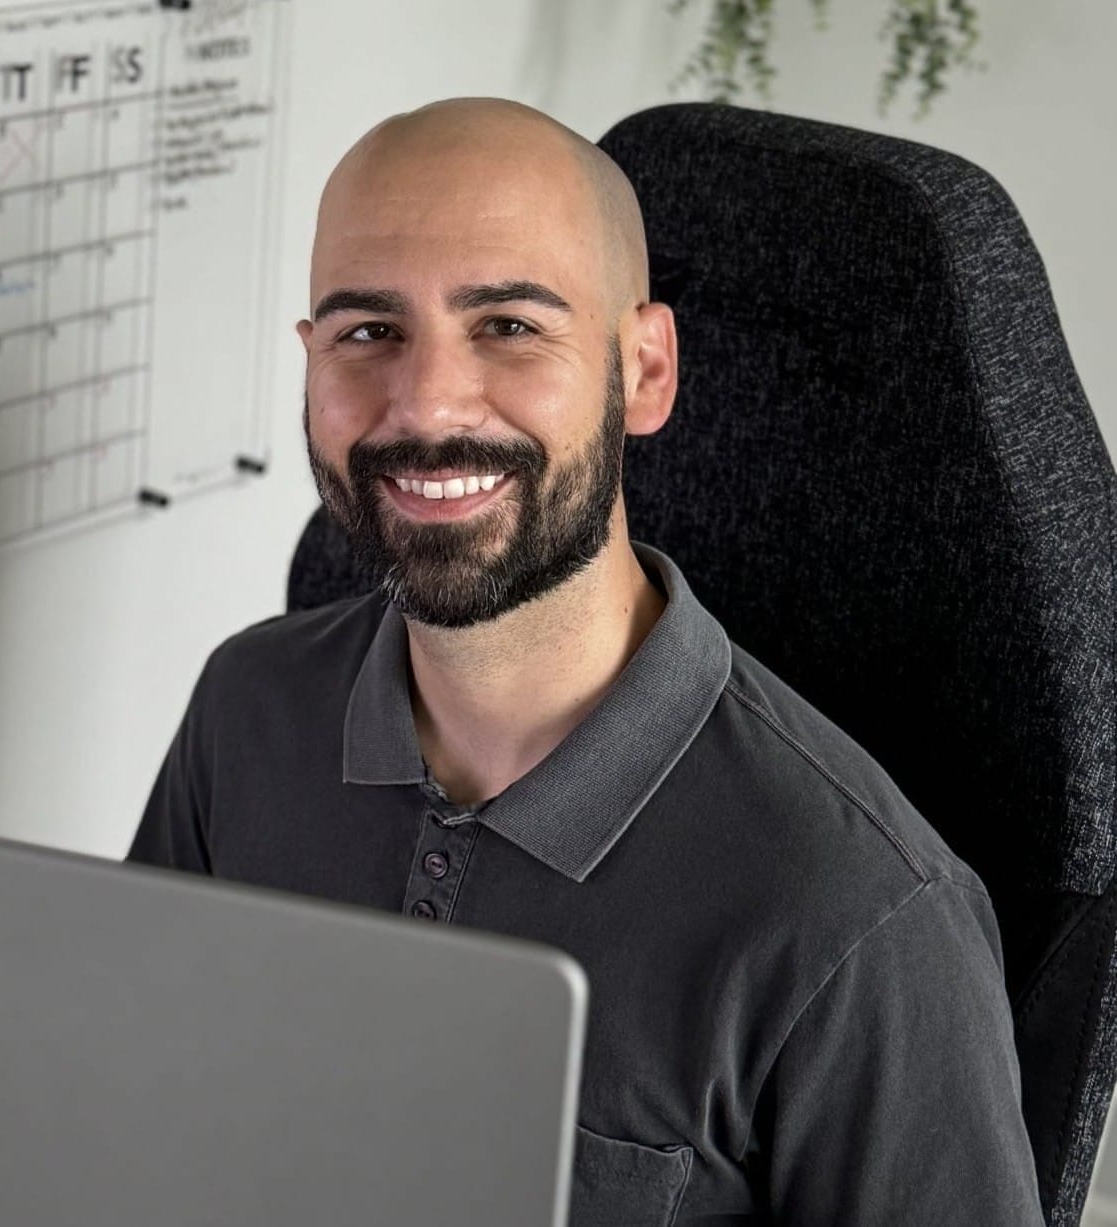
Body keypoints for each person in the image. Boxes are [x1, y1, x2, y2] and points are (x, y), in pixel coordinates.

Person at [127, 98, 1045, 1225]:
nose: (423, 404)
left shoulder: (860, 913)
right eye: (368, 332)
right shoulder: (244, 710)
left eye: (508, 325)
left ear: (644, 369)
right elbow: (137, 1118)